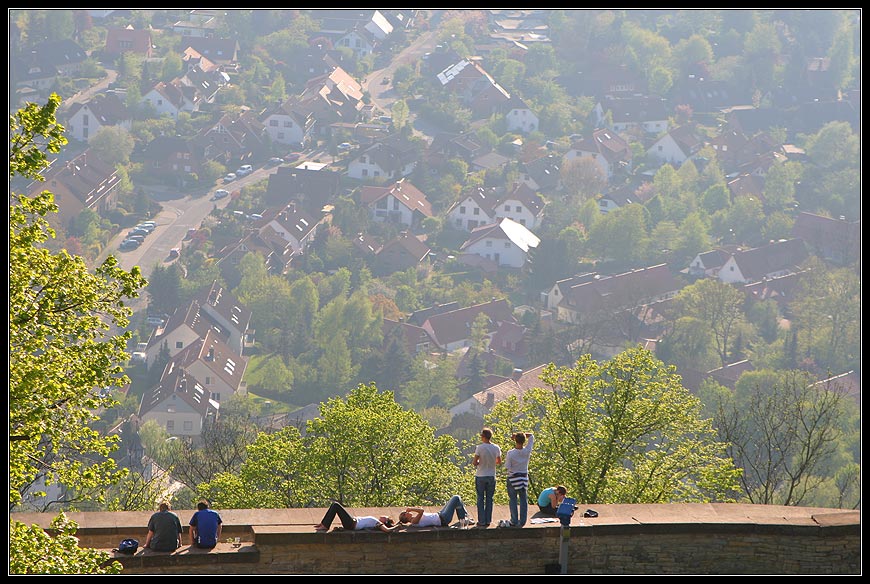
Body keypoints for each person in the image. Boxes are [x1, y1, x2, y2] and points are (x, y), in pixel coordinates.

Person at [502, 432, 534, 528]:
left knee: (513, 499)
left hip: (513, 478)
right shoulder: (527, 451)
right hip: (523, 478)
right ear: (524, 441)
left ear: (515, 440)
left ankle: (514, 520)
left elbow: (507, 466)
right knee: (523, 499)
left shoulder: (511, 453)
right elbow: (531, 436)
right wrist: (520, 435)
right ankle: (523, 521)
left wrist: (516, 436)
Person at [472, 427, 501, 528]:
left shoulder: (479, 448)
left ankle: (482, 521)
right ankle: (488, 520)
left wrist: (480, 462)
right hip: (491, 475)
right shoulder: (496, 447)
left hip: (481, 475)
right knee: (489, 498)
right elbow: (498, 461)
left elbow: (475, 462)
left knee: (480, 498)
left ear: (483, 437)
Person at [314, 502, 401, 533]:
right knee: (334, 505)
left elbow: (387, 530)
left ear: (385, 520)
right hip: (352, 521)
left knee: (336, 505)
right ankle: (323, 523)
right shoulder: (375, 521)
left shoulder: (378, 523)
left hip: (352, 524)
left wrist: (398, 526)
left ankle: (325, 525)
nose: (383, 515)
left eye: (385, 517)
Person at [398, 495, 474, 528]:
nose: (407, 512)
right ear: (406, 518)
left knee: (456, 501)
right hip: (443, 519)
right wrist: (411, 508)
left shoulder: (414, 519)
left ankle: (463, 519)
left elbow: (421, 512)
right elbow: (421, 511)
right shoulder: (414, 521)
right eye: (404, 514)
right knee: (456, 498)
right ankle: (464, 519)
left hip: (440, 514)